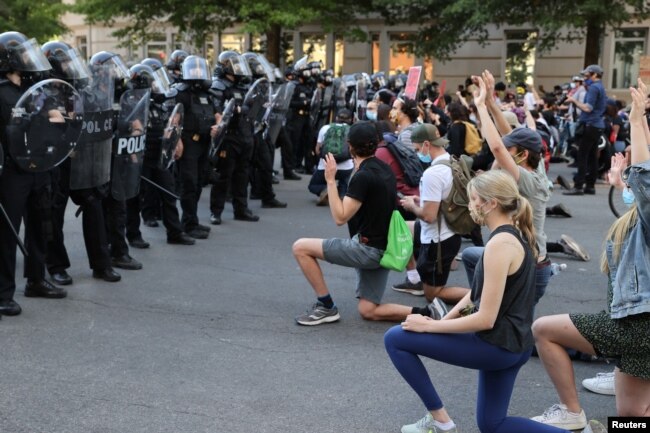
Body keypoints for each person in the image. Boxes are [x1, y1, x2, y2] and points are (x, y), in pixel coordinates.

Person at [385, 169, 565, 433]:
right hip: (514, 344)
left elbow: (485, 318)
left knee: (395, 338)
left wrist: (429, 327)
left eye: (472, 199)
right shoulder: (510, 235)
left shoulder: (500, 244)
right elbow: (475, 293)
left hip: (498, 346)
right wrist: (442, 321)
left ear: (490, 203)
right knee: (493, 425)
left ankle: (440, 421)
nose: (469, 205)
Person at [530, 80, 650, 431]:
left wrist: (637, 120)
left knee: (543, 329)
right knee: (631, 416)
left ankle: (571, 412)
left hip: (636, 326)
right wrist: (621, 179)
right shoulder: (635, 223)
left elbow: (645, 183)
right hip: (633, 324)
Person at [292, 121, 417, 326]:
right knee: (368, 310)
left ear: (349, 146)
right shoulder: (384, 168)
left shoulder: (363, 176)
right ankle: (427, 311)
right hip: (384, 248)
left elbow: (340, 217)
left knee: (300, 248)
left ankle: (326, 306)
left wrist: (330, 181)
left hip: (367, 250)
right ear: (377, 143)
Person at [0, 31, 68, 317]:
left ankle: (37, 279)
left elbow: (58, 118)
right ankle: (3, 293)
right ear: (11, 59)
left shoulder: (37, 88)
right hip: (12, 171)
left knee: (42, 224)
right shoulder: (1, 91)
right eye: (25, 54)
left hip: (39, 166)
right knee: (7, 232)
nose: (31, 58)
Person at [398, 123, 467, 305]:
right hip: (450, 232)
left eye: (418, 148)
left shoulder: (432, 173)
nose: (418, 152)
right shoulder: (453, 162)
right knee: (404, 228)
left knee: (433, 294)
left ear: (427, 144)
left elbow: (429, 216)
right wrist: (421, 199)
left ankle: (483, 296)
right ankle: (413, 276)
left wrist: (412, 206)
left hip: (438, 240)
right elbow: (443, 197)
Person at [209, 50, 260, 224]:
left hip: (245, 136)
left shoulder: (243, 86)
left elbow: (252, 108)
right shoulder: (218, 86)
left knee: (242, 175)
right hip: (228, 138)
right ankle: (216, 212)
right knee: (224, 176)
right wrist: (238, 110)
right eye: (235, 64)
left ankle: (241, 209)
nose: (239, 68)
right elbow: (218, 112)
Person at [173, 55, 216, 237]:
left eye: (201, 69)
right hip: (189, 143)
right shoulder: (180, 93)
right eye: (194, 69)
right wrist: (177, 142)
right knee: (189, 184)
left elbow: (215, 115)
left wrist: (216, 128)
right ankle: (188, 224)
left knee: (199, 182)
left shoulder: (207, 95)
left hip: (204, 143)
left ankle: (193, 220)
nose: (198, 72)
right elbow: (174, 120)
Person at [563, 65, 606, 195]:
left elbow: (588, 108)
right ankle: (590, 186)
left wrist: (573, 101)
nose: (584, 78)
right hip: (596, 125)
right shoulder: (600, 87)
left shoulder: (594, 88)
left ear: (594, 75)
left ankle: (579, 186)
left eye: (587, 75)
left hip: (591, 124)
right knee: (593, 157)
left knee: (582, 155)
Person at [307, 108, 354, 205]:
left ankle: (325, 190)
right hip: (346, 167)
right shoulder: (352, 130)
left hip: (325, 166)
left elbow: (317, 149)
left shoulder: (325, 128)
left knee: (313, 185)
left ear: (336, 118)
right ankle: (342, 194)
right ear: (350, 120)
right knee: (344, 182)